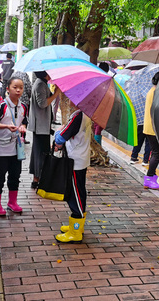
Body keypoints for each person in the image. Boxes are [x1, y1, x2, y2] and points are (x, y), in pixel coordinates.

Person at [54, 99, 93, 243]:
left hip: (75, 161)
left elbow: (61, 138)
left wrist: (59, 131)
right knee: (80, 192)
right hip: (81, 160)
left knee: (74, 195)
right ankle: (77, 226)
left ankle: (75, 231)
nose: (69, 99)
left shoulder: (77, 116)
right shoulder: (86, 114)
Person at [0, 76, 28, 216]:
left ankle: (12, 202)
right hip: (1, 147)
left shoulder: (23, 106)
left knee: (15, 175)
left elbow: (25, 121)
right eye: (15, 87)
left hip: (16, 148)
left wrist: (22, 127)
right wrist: (7, 126)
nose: (18, 90)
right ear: (8, 89)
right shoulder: (1, 105)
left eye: (21, 88)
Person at [29, 71, 61, 189]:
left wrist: (54, 93)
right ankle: (39, 179)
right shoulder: (40, 85)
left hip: (42, 125)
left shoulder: (42, 83)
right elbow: (42, 104)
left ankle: (37, 179)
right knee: (41, 153)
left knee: (38, 152)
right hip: (40, 126)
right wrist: (56, 94)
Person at [143, 72, 159, 190]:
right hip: (154, 128)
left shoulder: (152, 90)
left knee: (155, 152)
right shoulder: (157, 93)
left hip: (150, 127)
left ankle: (152, 176)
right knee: (157, 153)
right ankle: (149, 179)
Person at [11, 71, 32, 144]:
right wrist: (29, 96)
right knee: (23, 120)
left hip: (14, 100)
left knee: (15, 118)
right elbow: (29, 88)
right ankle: (22, 137)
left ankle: (14, 136)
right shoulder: (25, 75)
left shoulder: (13, 74)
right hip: (24, 102)